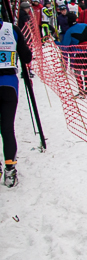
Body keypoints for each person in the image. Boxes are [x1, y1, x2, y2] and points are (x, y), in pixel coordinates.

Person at [0, 13, 33, 187]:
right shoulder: (11, 29)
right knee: (6, 128)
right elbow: (27, 57)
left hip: (8, 83)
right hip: (8, 85)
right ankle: (10, 170)